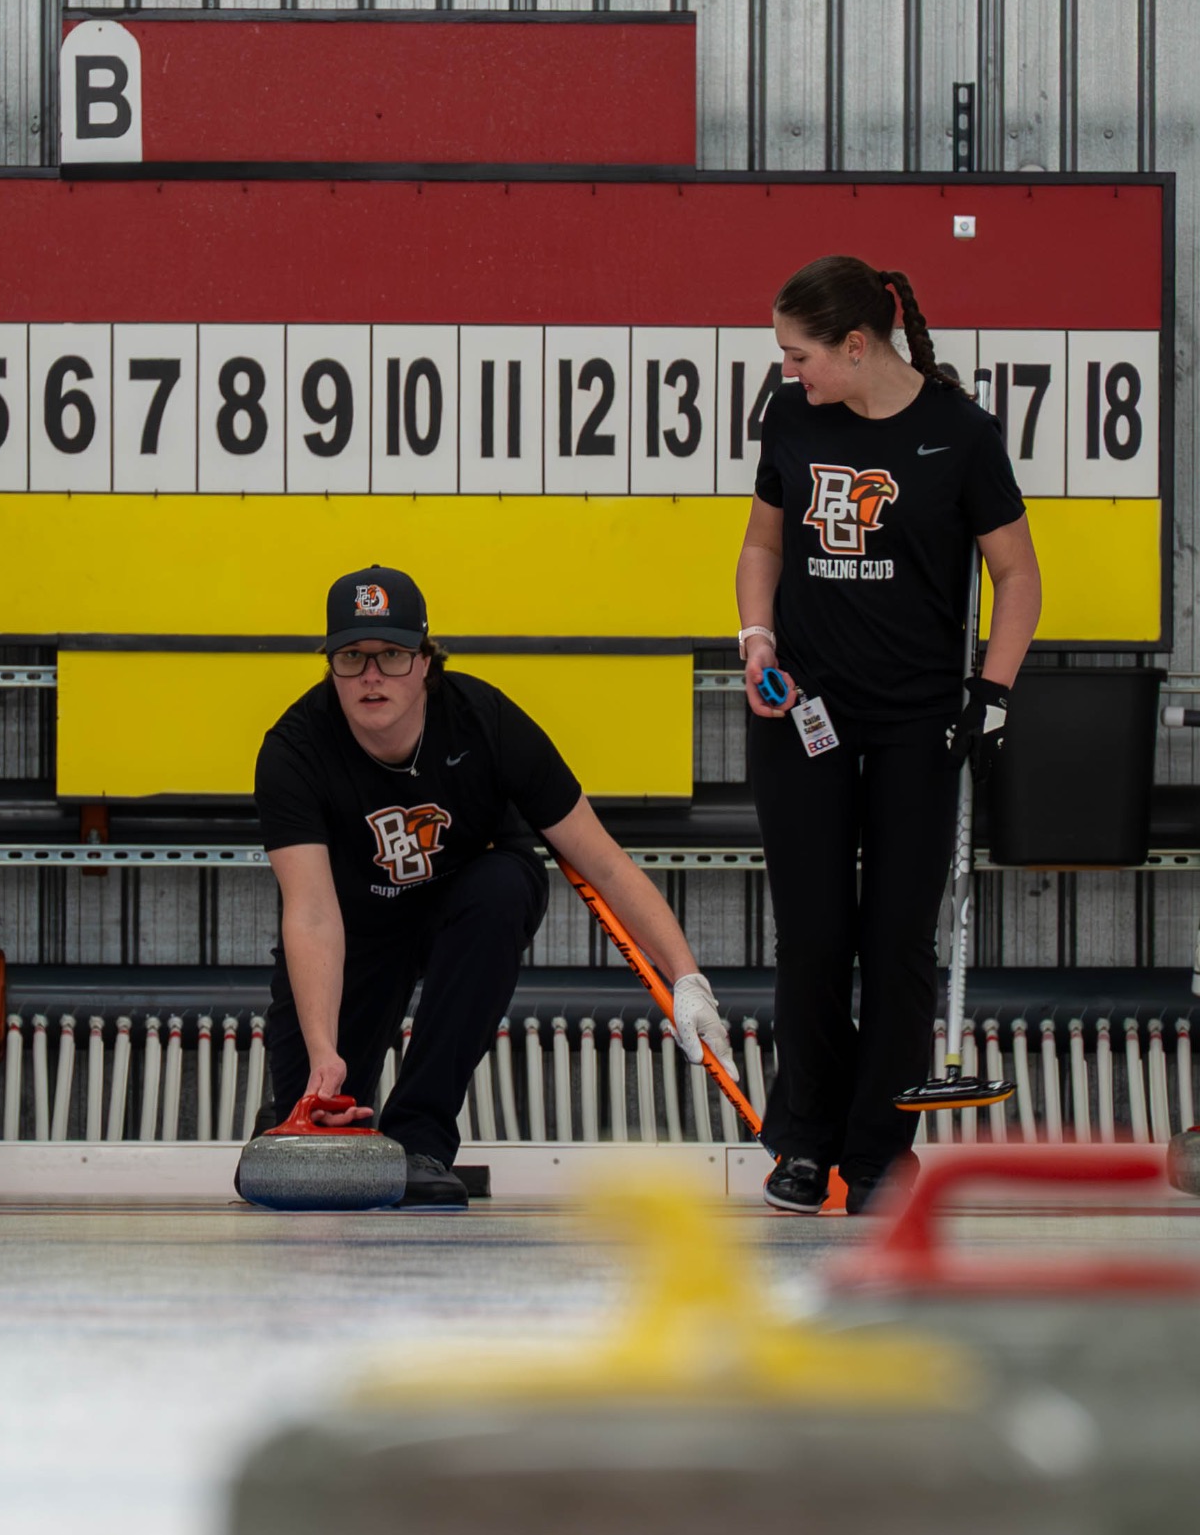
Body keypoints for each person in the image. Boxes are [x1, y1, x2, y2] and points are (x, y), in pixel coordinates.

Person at [252, 566, 734, 1208]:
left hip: (462, 905)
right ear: (331, 666)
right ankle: (318, 1106)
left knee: (506, 882)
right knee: (316, 1137)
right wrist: (322, 1054)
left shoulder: (484, 722)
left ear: (426, 661)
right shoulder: (293, 750)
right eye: (352, 657)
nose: (372, 676)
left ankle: (419, 1138)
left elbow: (605, 863)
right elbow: (311, 914)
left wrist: (687, 980)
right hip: (354, 925)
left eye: (393, 654)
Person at [736, 255, 1041, 1216]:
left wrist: (992, 694)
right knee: (814, 937)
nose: (791, 373)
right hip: (805, 718)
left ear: (856, 345)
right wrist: (756, 642)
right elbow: (761, 546)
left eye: (799, 355)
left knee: (897, 939)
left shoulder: (960, 434)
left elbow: (1017, 576)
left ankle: (877, 1153)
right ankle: (802, 1144)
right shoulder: (793, 419)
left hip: (918, 723)